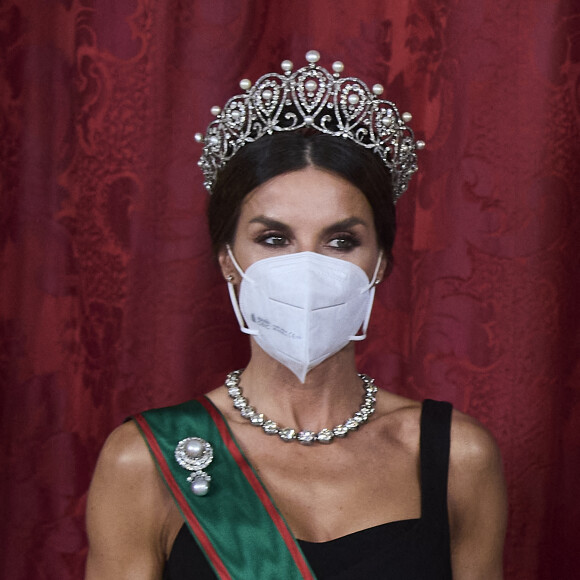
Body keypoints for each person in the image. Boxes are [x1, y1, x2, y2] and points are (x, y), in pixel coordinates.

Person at [85, 51, 507, 579]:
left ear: (379, 264)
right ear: (229, 263)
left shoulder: (456, 455)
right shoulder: (147, 460)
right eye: (274, 238)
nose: (305, 267)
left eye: (341, 240)